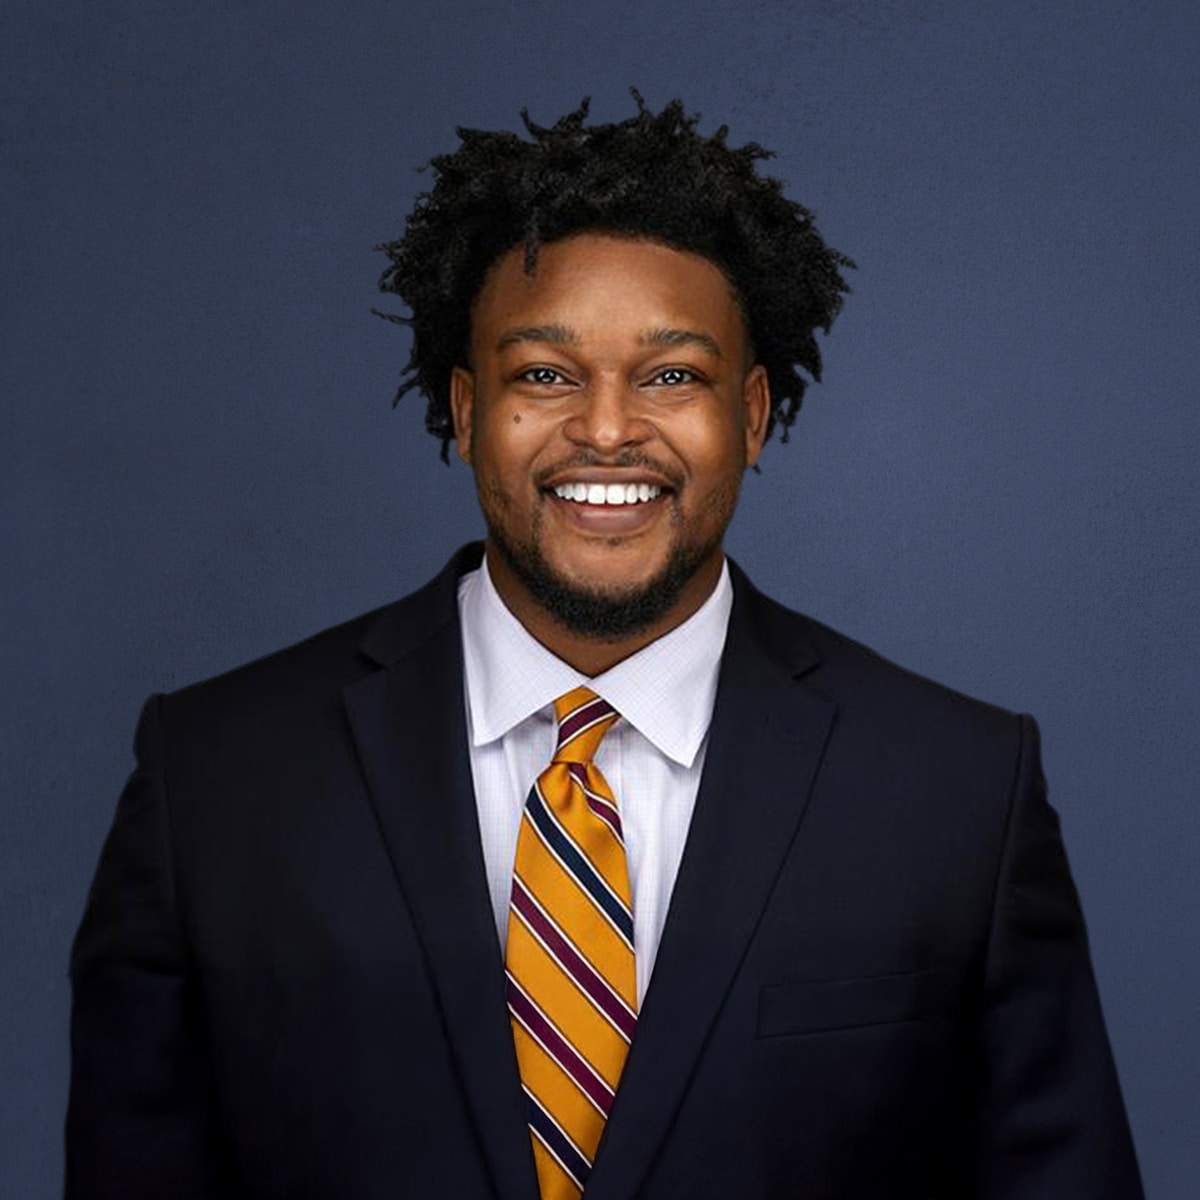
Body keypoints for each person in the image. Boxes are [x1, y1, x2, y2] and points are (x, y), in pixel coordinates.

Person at [66, 95, 1143, 1199]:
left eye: (672, 375)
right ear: (467, 407)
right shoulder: (214, 778)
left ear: (756, 413)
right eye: (545, 374)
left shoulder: (959, 789)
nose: (609, 428)